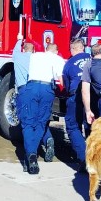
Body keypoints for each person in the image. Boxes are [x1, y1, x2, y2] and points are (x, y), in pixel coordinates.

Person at [19, 43, 65, 175]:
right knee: (41, 123)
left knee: (28, 123)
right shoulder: (58, 59)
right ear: (56, 51)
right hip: (46, 89)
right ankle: (32, 154)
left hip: (31, 87)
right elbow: (61, 81)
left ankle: (31, 156)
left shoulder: (35, 56)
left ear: (45, 49)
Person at [62, 38, 91, 171]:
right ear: (83, 48)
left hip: (76, 96)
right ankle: (96, 158)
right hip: (93, 96)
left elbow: (66, 85)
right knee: (91, 126)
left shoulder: (69, 63)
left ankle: (84, 160)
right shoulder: (93, 58)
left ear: (73, 49)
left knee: (73, 126)